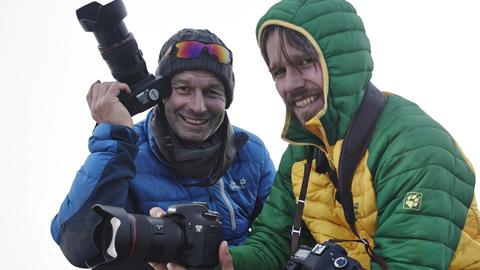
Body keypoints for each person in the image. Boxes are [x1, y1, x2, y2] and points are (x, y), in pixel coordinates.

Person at [201, 0, 480, 269]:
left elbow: (410, 262)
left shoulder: (413, 147)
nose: (291, 84)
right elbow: (273, 243)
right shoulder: (302, 153)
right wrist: (215, 261)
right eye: (279, 71)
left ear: (342, 62)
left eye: (305, 62)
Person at [50, 28, 275, 269]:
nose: (198, 106)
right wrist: (114, 136)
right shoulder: (126, 146)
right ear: (162, 94)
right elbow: (78, 246)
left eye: (212, 92)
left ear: (226, 99)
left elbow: (278, 238)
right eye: (184, 89)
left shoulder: (250, 151)